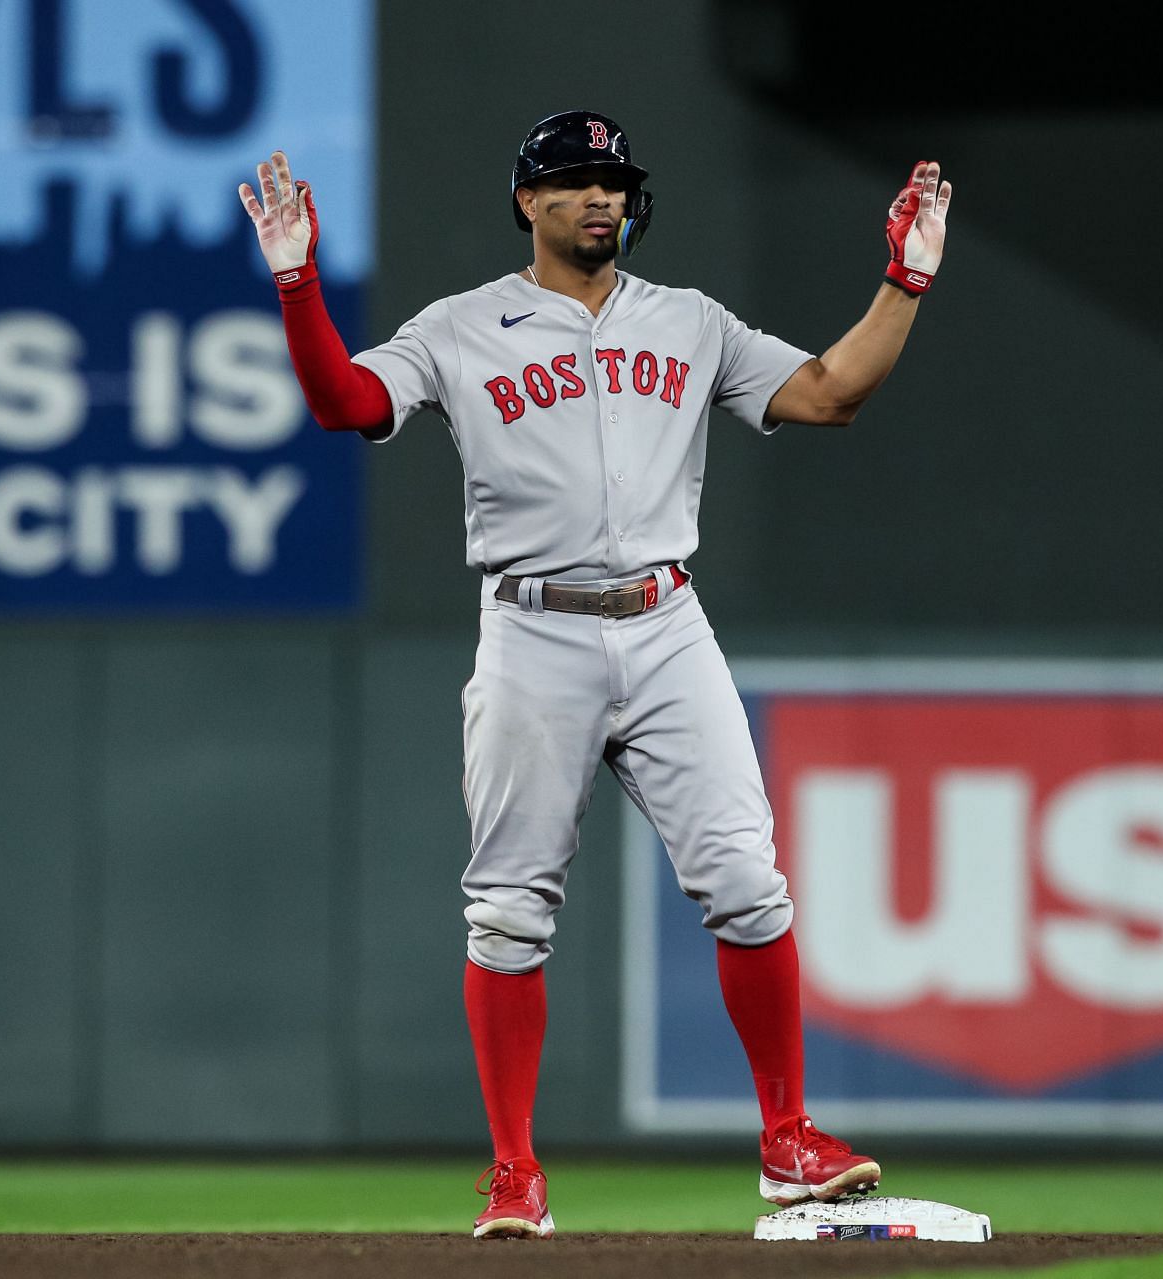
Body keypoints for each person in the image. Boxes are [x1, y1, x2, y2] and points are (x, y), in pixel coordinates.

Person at [240, 110, 950, 1240]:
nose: (597, 198)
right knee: (511, 910)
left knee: (749, 885)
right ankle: (515, 1172)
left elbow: (829, 392)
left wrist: (903, 284)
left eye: (611, 179)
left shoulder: (689, 321)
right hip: (534, 629)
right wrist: (296, 287)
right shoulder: (464, 326)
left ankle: (787, 1140)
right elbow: (345, 404)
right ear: (527, 202)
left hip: (668, 621)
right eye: (571, 181)